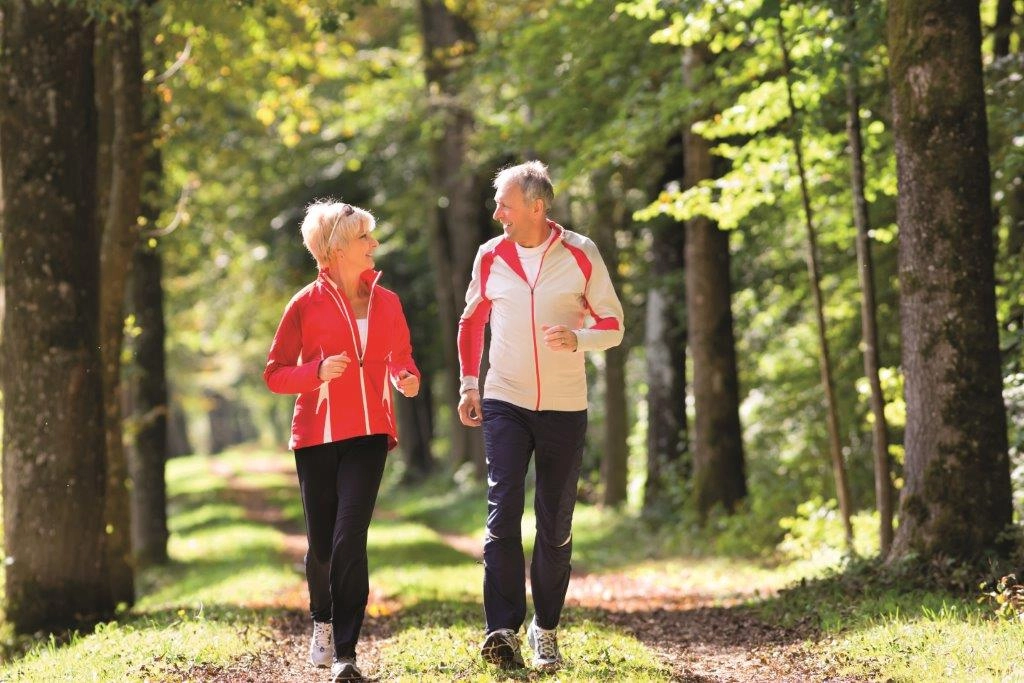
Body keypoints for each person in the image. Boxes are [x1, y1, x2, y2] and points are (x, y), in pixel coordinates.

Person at [457, 161, 625, 670]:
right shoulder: (491, 256)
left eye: (504, 204)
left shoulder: (581, 253)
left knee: (554, 524)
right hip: (504, 398)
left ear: (537, 206)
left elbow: (613, 325)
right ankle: (501, 629)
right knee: (502, 510)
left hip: (563, 405)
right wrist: (470, 385)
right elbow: (472, 321)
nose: (496, 213)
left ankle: (545, 629)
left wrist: (579, 338)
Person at [264, 200, 420, 682]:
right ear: (333, 249)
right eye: (364, 238)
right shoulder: (303, 305)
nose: (374, 244)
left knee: (351, 536)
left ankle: (347, 653)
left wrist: (405, 376)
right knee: (324, 545)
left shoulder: (387, 301)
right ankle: (323, 622)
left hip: (370, 433)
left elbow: (401, 357)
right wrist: (315, 372)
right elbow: (274, 375)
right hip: (316, 435)